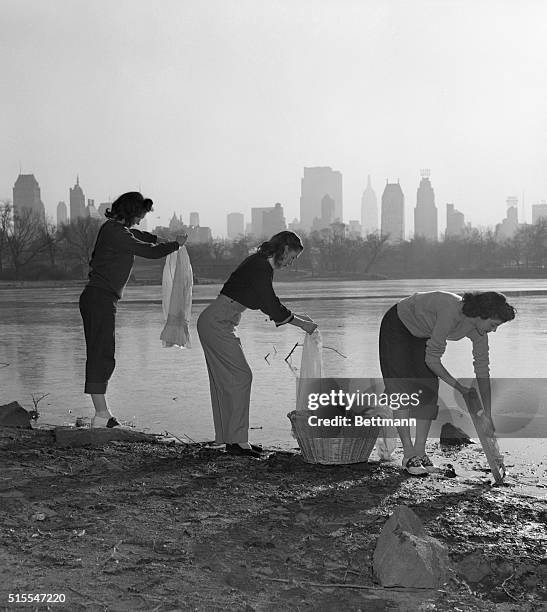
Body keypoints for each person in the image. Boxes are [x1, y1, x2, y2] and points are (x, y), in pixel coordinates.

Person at [197, 231, 318, 458]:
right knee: (242, 377)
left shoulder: (259, 265)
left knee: (224, 382)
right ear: (283, 249)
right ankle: (237, 441)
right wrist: (302, 324)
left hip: (219, 322)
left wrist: (299, 317)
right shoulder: (261, 266)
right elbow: (270, 303)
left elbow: (267, 303)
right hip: (217, 323)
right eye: (292, 257)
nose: (291, 263)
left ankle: (228, 439)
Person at [79, 192, 187, 427]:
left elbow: (140, 236)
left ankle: (102, 414)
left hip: (102, 299)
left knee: (104, 352)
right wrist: (175, 245)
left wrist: (159, 238)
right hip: (99, 299)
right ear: (130, 213)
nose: (140, 220)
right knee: (101, 353)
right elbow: (147, 250)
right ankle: (101, 416)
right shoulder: (115, 232)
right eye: (139, 216)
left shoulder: (116, 230)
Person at [379, 290, 515, 475]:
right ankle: (409, 454)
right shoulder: (450, 312)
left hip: (422, 332)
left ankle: (420, 452)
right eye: (493, 324)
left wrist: (488, 414)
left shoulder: (479, 330)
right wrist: (459, 387)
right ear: (482, 314)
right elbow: (432, 360)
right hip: (398, 324)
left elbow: (482, 370)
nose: (494, 330)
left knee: (429, 389)